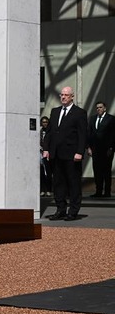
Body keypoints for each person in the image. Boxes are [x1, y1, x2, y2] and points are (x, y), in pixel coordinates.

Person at [43, 86, 87, 221]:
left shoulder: (79, 113)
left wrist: (80, 152)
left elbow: (82, 134)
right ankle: (60, 209)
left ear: (72, 97)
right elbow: (49, 132)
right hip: (56, 154)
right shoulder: (55, 112)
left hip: (72, 155)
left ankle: (73, 211)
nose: (63, 97)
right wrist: (46, 149)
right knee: (58, 183)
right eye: (61, 95)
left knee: (73, 183)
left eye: (66, 95)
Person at [87, 101, 115, 198]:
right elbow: (89, 134)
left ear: (105, 108)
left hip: (107, 150)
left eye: (100, 107)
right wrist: (89, 147)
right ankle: (98, 191)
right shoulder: (92, 118)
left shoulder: (111, 119)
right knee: (97, 171)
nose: (98, 109)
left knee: (106, 170)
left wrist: (111, 148)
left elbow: (113, 135)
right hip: (95, 150)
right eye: (97, 108)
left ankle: (107, 192)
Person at [39, 116, 53, 197]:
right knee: (41, 173)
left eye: (46, 122)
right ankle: (42, 190)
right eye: (43, 122)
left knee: (48, 172)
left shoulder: (50, 132)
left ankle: (48, 190)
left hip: (48, 154)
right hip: (40, 153)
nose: (45, 123)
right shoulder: (40, 131)